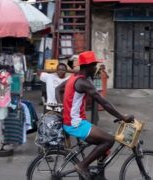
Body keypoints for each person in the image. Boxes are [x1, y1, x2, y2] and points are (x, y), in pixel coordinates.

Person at [56, 51, 133, 180]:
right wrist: (122, 117)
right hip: (76, 124)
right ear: (87, 66)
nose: (96, 68)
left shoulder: (74, 78)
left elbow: (57, 89)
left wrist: (62, 108)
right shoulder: (83, 83)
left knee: (103, 145)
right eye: (94, 65)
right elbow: (103, 101)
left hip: (74, 121)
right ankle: (82, 165)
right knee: (109, 140)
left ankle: (100, 176)